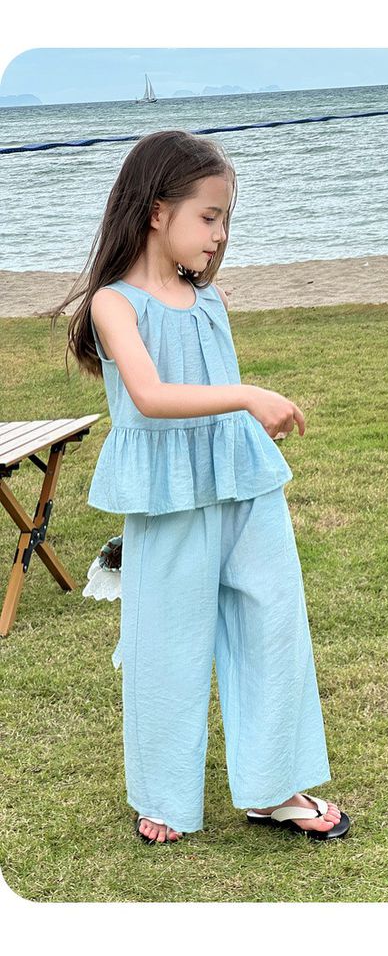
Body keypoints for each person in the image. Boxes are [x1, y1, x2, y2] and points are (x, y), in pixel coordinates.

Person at [67, 129, 350, 845]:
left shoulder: (209, 298)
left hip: (243, 483)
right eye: (209, 216)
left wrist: (241, 421)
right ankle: (163, 794)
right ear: (156, 211)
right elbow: (152, 396)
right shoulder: (114, 304)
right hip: (166, 493)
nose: (221, 235)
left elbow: (206, 387)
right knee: (167, 641)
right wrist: (249, 395)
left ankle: (274, 787)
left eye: (226, 219)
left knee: (273, 624)